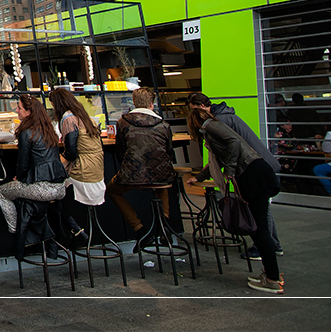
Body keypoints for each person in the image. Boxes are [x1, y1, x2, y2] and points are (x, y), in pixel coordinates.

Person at [187, 108, 283, 293]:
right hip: (257, 173)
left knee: (260, 229)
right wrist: (199, 178)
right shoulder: (214, 126)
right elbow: (217, 160)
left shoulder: (211, 127)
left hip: (252, 176)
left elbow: (234, 144)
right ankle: (270, 273)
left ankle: (272, 277)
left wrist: (229, 171)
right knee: (258, 228)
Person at [106, 88, 175, 247]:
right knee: (161, 184)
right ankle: (164, 226)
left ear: (134, 102)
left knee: (112, 190)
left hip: (133, 173)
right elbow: (169, 151)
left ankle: (140, 229)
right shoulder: (163, 124)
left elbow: (120, 150)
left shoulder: (123, 122)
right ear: (152, 104)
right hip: (161, 174)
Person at [0, 94, 67, 233]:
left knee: (1, 192)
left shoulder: (26, 132)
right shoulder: (49, 129)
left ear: (28, 112)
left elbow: (23, 163)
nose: (17, 110)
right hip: (60, 187)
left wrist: (19, 177)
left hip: (42, 188)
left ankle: (17, 234)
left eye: (19, 108)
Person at [48, 88, 104, 240]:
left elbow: (71, 152)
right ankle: (76, 232)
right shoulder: (84, 116)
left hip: (83, 171)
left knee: (49, 192)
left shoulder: (68, 118)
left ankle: (75, 230)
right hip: (97, 170)